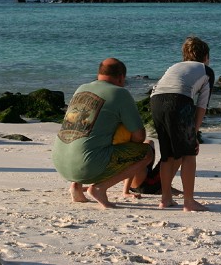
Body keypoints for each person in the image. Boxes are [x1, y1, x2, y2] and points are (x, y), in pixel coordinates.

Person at [52, 58, 153, 209]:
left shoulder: (81, 88)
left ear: (99, 73)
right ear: (121, 77)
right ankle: (100, 188)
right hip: (88, 166)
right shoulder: (120, 93)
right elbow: (139, 136)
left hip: (60, 163)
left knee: (86, 133)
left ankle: (76, 186)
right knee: (147, 153)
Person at [150, 36, 215, 211]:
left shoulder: (175, 66)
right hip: (177, 101)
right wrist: (193, 134)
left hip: (155, 102)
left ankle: (165, 199)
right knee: (189, 153)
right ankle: (189, 201)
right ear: (206, 56)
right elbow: (202, 105)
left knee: (167, 155)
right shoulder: (206, 70)